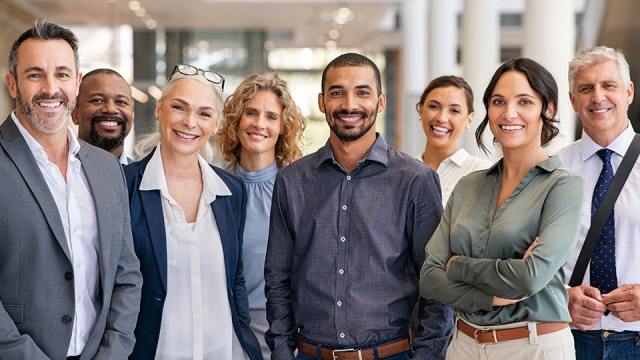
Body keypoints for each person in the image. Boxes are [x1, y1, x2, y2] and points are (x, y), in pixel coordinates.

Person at [265, 52, 452, 360]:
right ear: (322, 102)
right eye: (337, 92)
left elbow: (437, 284)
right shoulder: (291, 181)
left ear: (381, 102)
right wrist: (283, 353)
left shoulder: (415, 180)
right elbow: (277, 279)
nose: (349, 105)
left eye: (362, 92)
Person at [420, 58, 584, 359]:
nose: (509, 113)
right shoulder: (468, 186)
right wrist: (489, 295)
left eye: (524, 101)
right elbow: (430, 278)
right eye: (498, 102)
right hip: (463, 345)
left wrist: (457, 266)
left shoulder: (563, 187)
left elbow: (530, 278)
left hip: (533, 346)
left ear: (547, 110)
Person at [0, 19, 142, 359]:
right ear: (12, 84)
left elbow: (126, 275)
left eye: (62, 74)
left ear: (76, 83)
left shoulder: (106, 168)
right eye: (35, 74)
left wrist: (114, 351)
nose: (51, 88)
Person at [125, 64, 262, 360]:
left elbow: (235, 277)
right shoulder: (124, 186)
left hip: (226, 351)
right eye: (179, 107)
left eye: (204, 113)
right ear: (160, 109)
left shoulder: (231, 191)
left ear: (216, 124)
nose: (190, 122)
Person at [217, 72, 306, 359]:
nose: (259, 124)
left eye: (271, 116)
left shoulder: (297, 190)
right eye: (251, 113)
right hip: (222, 328)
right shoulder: (213, 185)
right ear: (235, 120)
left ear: (283, 127)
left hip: (281, 333)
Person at [559, 46, 640, 360]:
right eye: (585, 88)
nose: (597, 97)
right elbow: (530, 262)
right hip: (571, 342)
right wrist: (561, 297)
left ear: (629, 92)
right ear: (572, 100)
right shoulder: (552, 170)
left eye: (608, 85)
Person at [417, 75, 491, 205]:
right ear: (421, 110)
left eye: (454, 110)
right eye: (434, 106)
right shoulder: (402, 171)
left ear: (469, 118)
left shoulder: (483, 174)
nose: (442, 118)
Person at [72, 68, 134, 164]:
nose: (111, 109)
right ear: (75, 113)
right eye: (97, 100)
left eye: (121, 102)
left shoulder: (145, 176)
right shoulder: (56, 173)